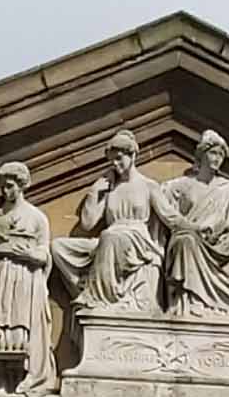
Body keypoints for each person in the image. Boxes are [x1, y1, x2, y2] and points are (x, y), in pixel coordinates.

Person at [0, 161, 56, 394]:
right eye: (3, 187)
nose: (6, 191)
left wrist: (27, 253)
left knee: (19, 328)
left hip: (24, 279)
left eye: (11, 186)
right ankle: (1, 381)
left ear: (22, 185)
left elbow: (45, 254)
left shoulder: (36, 218)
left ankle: (20, 377)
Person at [157, 130, 229, 322]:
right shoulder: (181, 185)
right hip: (191, 239)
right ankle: (191, 302)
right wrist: (192, 227)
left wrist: (222, 233)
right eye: (213, 153)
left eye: (221, 155)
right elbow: (164, 207)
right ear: (202, 154)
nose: (217, 159)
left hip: (218, 241)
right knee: (185, 240)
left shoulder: (228, 189)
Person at [50, 131, 165, 313]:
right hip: (110, 241)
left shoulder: (148, 186)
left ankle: (95, 297)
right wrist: (96, 192)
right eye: (112, 161)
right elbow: (87, 224)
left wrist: (194, 229)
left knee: (110, 236)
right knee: (58, 247)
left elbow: (171, 217)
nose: (115, 164)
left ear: (133, 155)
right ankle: (92, 289)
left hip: (138, 242)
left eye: (119, 159)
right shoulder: (110, 189)